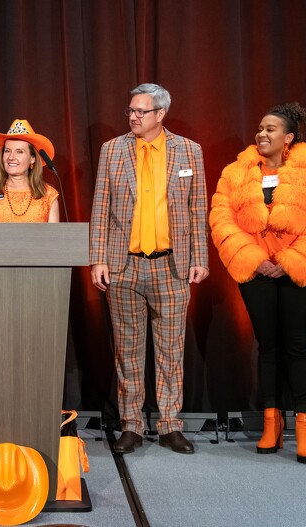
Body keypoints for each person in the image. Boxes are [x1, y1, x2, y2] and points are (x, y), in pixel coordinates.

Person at [209, 103, 306, 464]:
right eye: (259, 128)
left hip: (300, 272)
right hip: (256, 272)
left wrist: (290, 261)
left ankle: (305, 426)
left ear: (288, 138)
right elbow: (222, 218)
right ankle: (271, 423)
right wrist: (253, 258)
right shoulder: (235, 173)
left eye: (270, 129)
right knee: (267, 348)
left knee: (299, 348)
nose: (261, 134)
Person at [90, 83, 209, 455]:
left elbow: (196, 208)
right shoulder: (113, 150)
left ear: (161, 114)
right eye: (131, 110)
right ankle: (131, 425)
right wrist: (98, 258)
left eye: (141, 111)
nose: (133, 117)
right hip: (124, 266)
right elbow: (100, 208)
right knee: (127, 351)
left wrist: (200, 258)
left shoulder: (188, 150)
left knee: (171, 350)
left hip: (171, 266)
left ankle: (170, 424)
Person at [0, 119, 59, 223]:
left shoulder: (49, 195)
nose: (11, 157)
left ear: (32, 158)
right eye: (7, 151)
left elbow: (54, 234)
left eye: (19, 152)